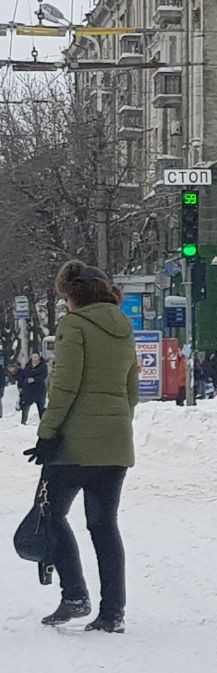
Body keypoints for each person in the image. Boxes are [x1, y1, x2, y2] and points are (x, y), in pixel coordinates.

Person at [27, 261, 139, 634]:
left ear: (73, 296)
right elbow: (131, 389)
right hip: (115, 442)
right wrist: (117, 424)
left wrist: (46, 434)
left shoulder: (74, 326)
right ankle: (113, 612)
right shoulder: (123, 327)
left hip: (73, 444)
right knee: (104, 525)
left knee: (50, 514)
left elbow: (65, 386)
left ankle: (74, 593)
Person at [18, 351, 49, 425]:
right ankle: (23, 422)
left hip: (39, 389)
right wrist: (21, 385)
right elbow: (23, 376)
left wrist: (35, 379)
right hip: (28, 389)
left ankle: (43, 422)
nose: (34, 358)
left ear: (39, 357)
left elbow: (44, 376)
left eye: (36, 357)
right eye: (33, 357)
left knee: (41, 406)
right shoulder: (28, 365)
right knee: (25, 406)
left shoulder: (43, 366)